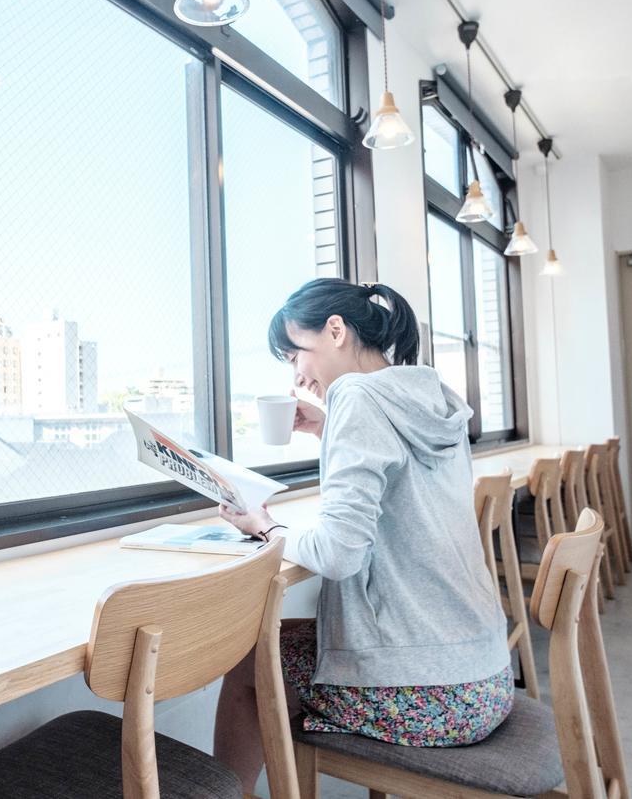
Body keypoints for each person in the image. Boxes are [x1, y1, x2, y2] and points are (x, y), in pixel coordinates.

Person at [213, 277, 512, 791]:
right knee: (273, 650)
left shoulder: (355, 394)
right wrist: (330, 429)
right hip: (484, 676)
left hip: (432, 696)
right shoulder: (430, 393)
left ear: (335, 331)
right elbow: (407, 486)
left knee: (250, 664)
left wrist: (265, 525)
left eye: (294, 355)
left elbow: (338, 554)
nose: (297, 374)